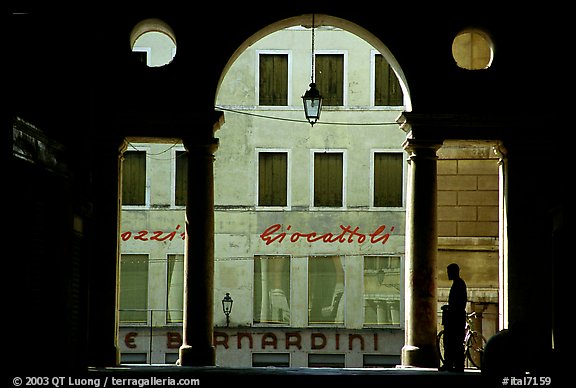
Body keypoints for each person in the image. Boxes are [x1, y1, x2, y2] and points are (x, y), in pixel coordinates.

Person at [439, 263, 467, 372]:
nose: (448, 274)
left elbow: (459, 304)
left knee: (452, 342)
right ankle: (454, 364)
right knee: (454, 342)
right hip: (457, 318)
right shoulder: (459, 284)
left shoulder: (458, 284)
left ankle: (453, 364)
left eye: (449, 272)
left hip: (455, 319)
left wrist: (449, 308)